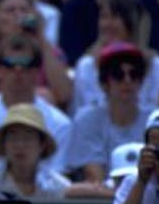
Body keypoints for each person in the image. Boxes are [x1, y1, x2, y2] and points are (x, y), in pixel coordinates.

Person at [0, 33, 72, 174]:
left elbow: (58, 182)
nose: (18, 71)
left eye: (26, 64)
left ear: (37, 71)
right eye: (9, 64)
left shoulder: (60, 124)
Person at [66, 42, 153, 184]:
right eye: (118, 75)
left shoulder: (153, 120)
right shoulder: (86, 120)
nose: (127, 80)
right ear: (104, 83)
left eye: (134, 74)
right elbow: (96, 180)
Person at [69, 0, 159, 118]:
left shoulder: (155, 65)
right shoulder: (86, 66)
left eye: (114, 17)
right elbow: (79, 114)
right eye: (103, 17)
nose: (107, 24)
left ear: (132, 22)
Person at [0, 103, 72, 200]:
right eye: (13, 138)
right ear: (4, 144)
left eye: (28, 138)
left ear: (42, 145)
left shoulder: (59, 187)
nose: (20, 145)